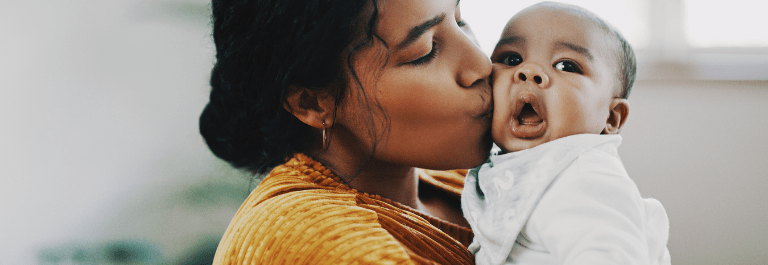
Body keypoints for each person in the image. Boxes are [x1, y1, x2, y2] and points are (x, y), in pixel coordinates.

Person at [199, 0, 493, 264]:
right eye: (425, 52)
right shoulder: (313, 240)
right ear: (311, 102)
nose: (482, 63)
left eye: (459, 20)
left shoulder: (460, 174)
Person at [461, 2, 671, 265]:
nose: (529, 72)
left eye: (566, 66)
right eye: (512, 59)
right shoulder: (521, 167)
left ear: (611, 116)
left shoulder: (584, 176)